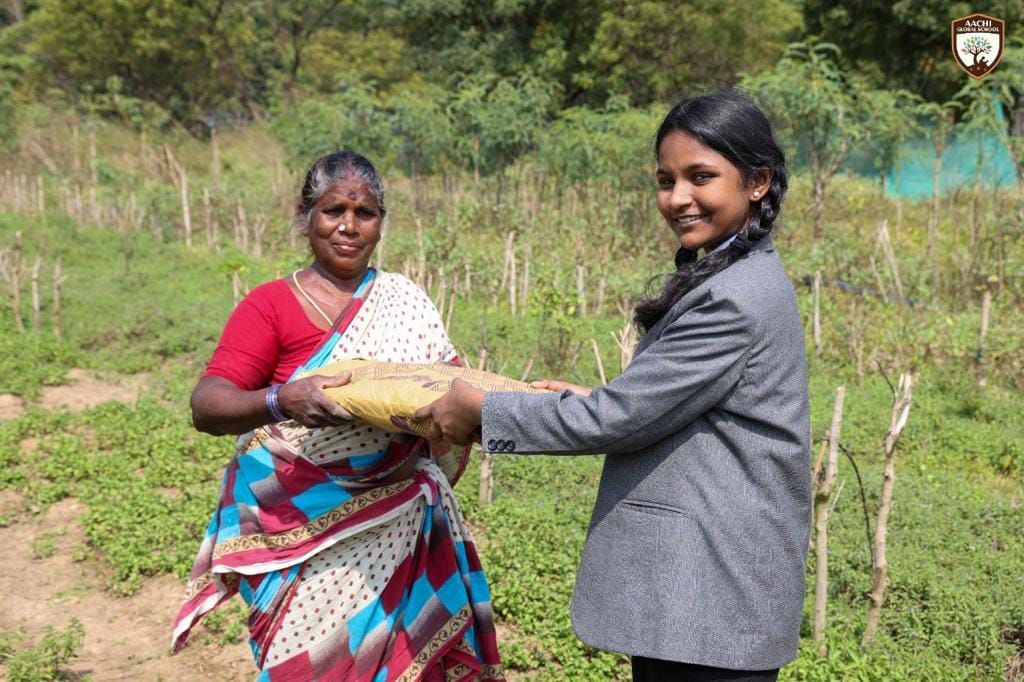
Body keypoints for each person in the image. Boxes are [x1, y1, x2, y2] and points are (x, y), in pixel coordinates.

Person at [415, 91, 810, 682]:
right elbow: (664, 405)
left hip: (710, 596)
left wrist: (483, 410)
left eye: (701, 177)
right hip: (705, 596)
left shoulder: (734, 298)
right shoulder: (737, 274)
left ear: (757, 182)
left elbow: (619, 419)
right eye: (665, 179)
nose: (677, 198)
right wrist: (580, 400)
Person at [172, 151, 503, 682]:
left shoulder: (405, 300)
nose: (348, 226)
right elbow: (207, 405)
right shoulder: (271, 305)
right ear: (307, 217)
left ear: (380, 222)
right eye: (332, 211)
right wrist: (282, 399)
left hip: (402, 517)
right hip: (295, 526)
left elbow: (448, 390)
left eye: (364, 212)